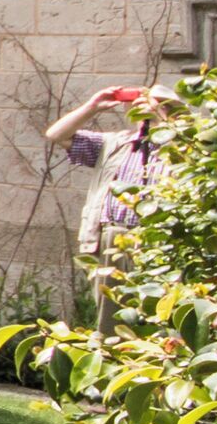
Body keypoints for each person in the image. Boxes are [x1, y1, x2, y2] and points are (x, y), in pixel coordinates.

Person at [45, 84, 177, 287]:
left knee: (157, 302)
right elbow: (56, 135)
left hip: (158, 241)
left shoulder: (183, 148)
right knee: (110, 305)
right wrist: (92, 106)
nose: (147, 111)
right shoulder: (114, 143)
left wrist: (161, 122)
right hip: (111, 238)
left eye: (162, 106)